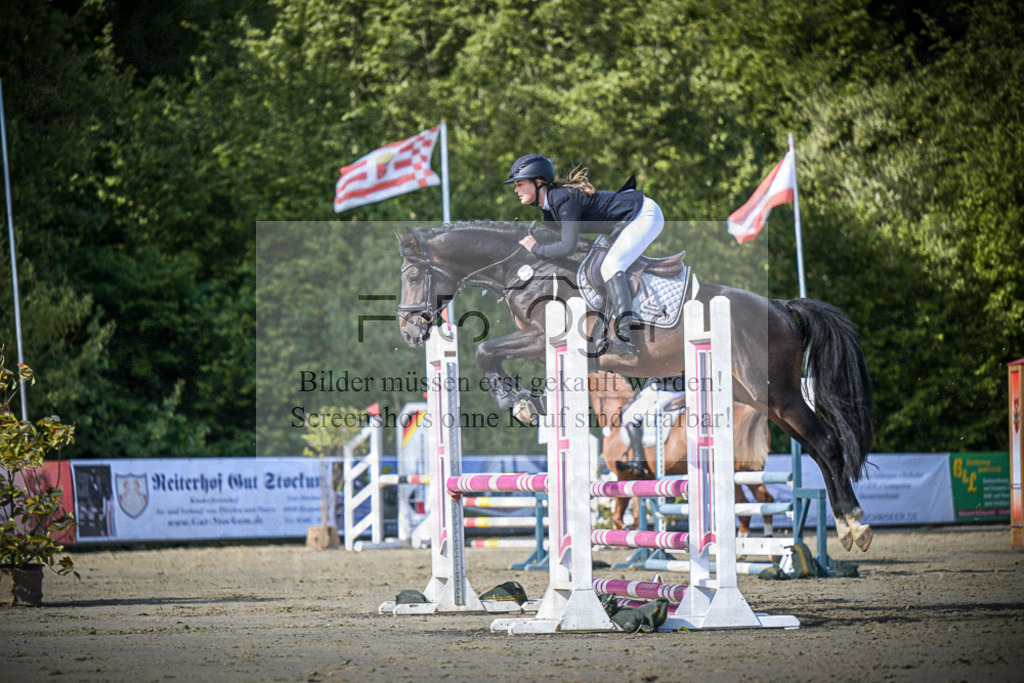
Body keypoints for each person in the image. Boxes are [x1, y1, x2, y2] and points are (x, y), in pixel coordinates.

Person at [505, 153, 665, 361]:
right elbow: (555, 244)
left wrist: (536, 248)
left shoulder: (561, 199)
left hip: (643, 214)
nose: (515, 190)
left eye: (519, 184)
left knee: (611, 266)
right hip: (629, 219)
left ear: (538, 182)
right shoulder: (549, 208)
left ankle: (627, 339)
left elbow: (567, 247)